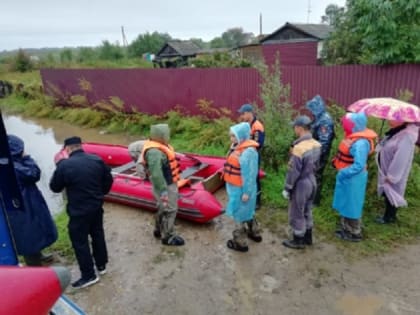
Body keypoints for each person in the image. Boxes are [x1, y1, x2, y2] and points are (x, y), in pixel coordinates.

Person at [50, 136, 113, 289]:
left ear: (67, 149)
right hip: (97, 207)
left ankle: (89, 275)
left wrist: (59, 167)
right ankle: (101, 266)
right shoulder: (96, 160)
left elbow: (55, 187)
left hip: (79, 211)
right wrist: (100, 194)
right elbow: (109, 181)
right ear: (81, 146)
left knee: (80, 242)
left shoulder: (64, 166)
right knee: (98, 234)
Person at [7, 134, 57, 266]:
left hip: (27, 204)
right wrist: (27, 157)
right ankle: (35, 267)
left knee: (34, 233)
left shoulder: (11, 163)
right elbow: (34, 173)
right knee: (29, 236)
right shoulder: (14, 167)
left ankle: (38, 255)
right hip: (22, 209)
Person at [332, 113, 377, 242]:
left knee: (353, 204)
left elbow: (358, 165)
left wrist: (343, 173)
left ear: (353, 125)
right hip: (347, 177)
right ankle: (345, 228)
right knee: (346, 202)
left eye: (346, 123)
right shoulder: (353, 137)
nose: (343, 125)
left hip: (354, 178)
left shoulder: (361, 143)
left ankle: (355, 232)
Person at [140, 124, 185, 246]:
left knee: (162, 207)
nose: (168, 135)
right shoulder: (154, 152)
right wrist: (163, 190)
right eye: (166, 133)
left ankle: (159, 229)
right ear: (161, 136)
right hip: (165, 185)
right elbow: (156, 173)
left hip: (167, 182)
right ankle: (168, 237)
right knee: (170, 209)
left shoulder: (160, 146)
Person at [281, 116, 321, 249]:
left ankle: (298, 239)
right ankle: (308, 237)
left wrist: (287, 188)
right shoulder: (316, 144)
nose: (294, 129)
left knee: (297, 211)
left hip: (301, 183)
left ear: (300, 128)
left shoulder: (299, 148)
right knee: (308, 209)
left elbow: (294, 172)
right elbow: (318, 164)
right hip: (312, 180)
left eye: (295, 127)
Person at [223, 122, 259, 252]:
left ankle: (240, 243)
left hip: (242, 189)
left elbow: (250, 174)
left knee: (239, 214)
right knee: (247, 212)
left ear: (241, 136)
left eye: (234, 136)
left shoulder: (249, 152)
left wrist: (247, 192)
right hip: (236, 187)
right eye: (231, 136)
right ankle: (254, 232)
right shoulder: (237, 147)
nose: (231, 139)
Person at [375, 121, 419, 224]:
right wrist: (381, 142)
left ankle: (389, 217)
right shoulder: (396, 131)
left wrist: (392, 176)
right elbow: (388, 144)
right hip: (387, 166)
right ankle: (389, 216)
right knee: (387, 192)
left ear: (403, 120)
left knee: (393, 191)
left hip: (394, 170)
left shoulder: (407, 135)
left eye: (394, 119)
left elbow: (401, 157)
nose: (390, 120)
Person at [305, 95, 335, 206]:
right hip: (315, 151)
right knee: (312, 174)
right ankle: (311, 197)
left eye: (312, 109)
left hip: (320, 154)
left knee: (317, 175)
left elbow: (324, 141)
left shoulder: (325, 120)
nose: (311, 112)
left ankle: (314, 201)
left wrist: (316, 155)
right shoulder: (319, 117)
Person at [238, 104, 265, 208]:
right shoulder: (245, 124)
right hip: (244, 155)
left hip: (253, 156)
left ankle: (257, 201)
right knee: (245, 177)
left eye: (243, 113)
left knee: (254, 177)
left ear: (250, 113)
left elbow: (258, 144)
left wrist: (248, 153)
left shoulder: (257, 126)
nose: (242, 116)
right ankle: (247, 197)